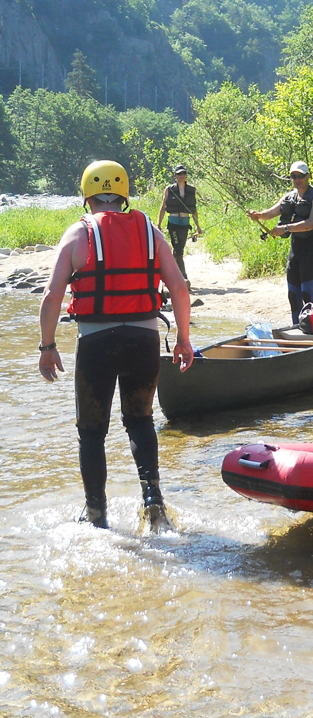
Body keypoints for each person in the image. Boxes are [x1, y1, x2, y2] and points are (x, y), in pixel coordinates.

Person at [38, 160, 194, 530]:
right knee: (140, 421)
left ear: (87, 196)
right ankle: (153, 503)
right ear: (123, 196)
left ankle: (96, 514)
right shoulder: (150, 230)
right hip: (144, 340)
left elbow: (51, 294)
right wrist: (184, 339)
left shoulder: (78, 234)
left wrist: (47, 346)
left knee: (92, 431)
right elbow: (180, 288)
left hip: (97, 343)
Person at [247, 161, 313, 324]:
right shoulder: (289, 197)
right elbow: (270, 213)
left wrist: (285, 229)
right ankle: (296, 327)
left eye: (301, 176)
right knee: (293, 295)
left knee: (308, 295)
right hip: (296, 250)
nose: (297, 179)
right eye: (294, 176)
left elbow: (311, 223)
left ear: (308, 176)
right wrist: (258, 215)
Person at [157, 164, 202, 287]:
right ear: (175, 176)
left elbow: (194, 209)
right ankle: (183, 276)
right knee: (178, 250)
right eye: (179, 174)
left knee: (178, 250)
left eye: (183, 174)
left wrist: (198, 226)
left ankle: (170, 274)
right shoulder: (169, 189)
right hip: (173, 223)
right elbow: (163, 207)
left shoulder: (192, 190)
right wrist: (159, 224)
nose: (181, 176)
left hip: (185, 224)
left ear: (186, 175)